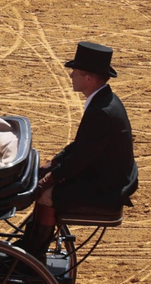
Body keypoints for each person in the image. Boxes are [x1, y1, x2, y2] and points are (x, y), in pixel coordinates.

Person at [13, 41, 139, 259]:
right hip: (107, 175)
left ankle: (32, 256)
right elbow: (80, 146)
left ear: (88, 78)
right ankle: (29, 243)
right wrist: (52, 164)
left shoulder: (101, 112)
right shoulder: (103, 101)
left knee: (46, 196)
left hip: (105, 186)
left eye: (75, 72)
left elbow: (80, 159)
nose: (71, 76)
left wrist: (49, 179)